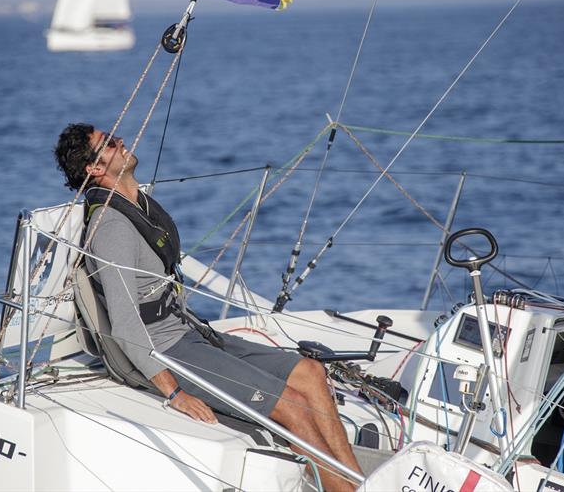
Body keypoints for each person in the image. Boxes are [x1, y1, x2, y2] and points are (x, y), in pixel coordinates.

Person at [55, 123, 362, 491]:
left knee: (310, 373)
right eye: (108, 143)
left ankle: (362, 485)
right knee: (292, 406)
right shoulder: (112, 227)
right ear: (94, 169)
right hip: (166, 349)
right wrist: (174, 393)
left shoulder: (138, 204)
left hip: (186, 331)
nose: (121, 141)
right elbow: (124, 323)